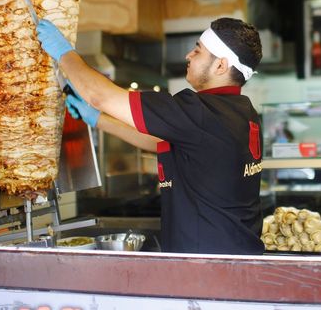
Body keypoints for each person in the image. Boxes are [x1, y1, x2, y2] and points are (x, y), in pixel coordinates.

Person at [36, 17, 265, 255]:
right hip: (238, 258)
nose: (188, 55)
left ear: (220, 66)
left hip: (205, 267)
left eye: (198, 50)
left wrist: (64, 52)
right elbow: (162, 142)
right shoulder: (242, 111)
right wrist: (97, 119)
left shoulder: (201, 112)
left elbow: (99, 95)